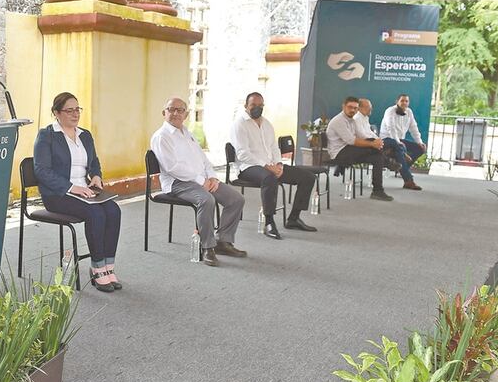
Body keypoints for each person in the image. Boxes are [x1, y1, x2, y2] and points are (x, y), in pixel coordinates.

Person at [33, 93, 123, 292]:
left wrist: (96, 176)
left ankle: (109, 267)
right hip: (58, 194)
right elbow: (41, 170)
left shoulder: (85, 135)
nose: (75, 114)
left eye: (77, 109)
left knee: (114, 211)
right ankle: (97, 267)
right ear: (56, 113)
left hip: (86, 190)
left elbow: (94, 162)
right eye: (69, 110)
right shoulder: (47, 135)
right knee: (96, 213)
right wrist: (73, 188)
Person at [150, 96, 246, 267]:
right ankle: (207, 246)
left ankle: (223, 241)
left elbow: (203, 159)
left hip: (201, 180)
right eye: (171, 109)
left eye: (180, 110)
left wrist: (212, 177)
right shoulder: (161, 136)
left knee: (236, 199)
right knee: (206, 200)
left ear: (185, 115)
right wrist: (201, 180)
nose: (175, 113)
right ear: (164, 113)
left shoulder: (187, 133)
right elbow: (173, 167)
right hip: (177, 183)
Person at [229, 92, 317, 240]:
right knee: (269, 179)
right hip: (248, 167)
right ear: (246, 106)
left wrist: (278, 164)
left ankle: (293, 219)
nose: (257, 108)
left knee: (308, 177)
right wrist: (267, 166)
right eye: (253, 105)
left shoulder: (267, 124)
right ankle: (269, 223)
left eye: (260, 105)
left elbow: (274, 147)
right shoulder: (239, 124)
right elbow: (243, 154)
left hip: (270, 166)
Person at [326, 96, 393, 201]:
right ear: (343, 106)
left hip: (350, 150)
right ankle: (389, 163)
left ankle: (377, 191)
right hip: (339, 153)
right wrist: (373, 144)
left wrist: (375, 142)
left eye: (355, 108)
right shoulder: (339, 120)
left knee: (377, 158)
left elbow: (361, 135)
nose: (352, 110)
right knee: (373, 148)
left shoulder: (352, 120)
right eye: (350, 107)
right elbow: (351, 140)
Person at [380, 93, 426, 191]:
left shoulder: (409, 112)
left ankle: (401, 166)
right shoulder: (390, 111)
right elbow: (390, 128)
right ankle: (408, 180)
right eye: (402, 101)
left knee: (420, 149)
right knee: (400, 149)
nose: (404, 103)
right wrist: (397, 142)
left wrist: (419, 142)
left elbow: (414, 128)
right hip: (387, 139)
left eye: (406, 101)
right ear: (397, 102)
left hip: (400, 140)